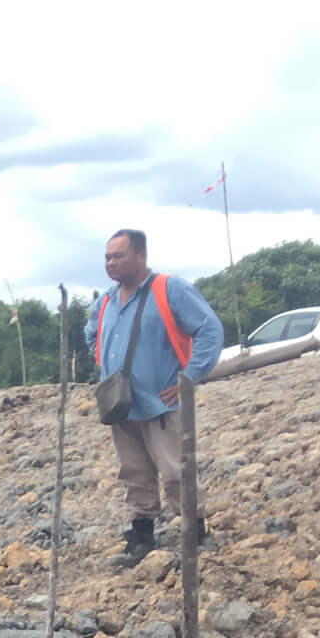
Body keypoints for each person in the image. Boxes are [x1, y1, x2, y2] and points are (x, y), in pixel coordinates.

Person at [93, 228, 223, 565]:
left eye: (117, 256)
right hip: (121, 403)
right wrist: (104, 362)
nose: (110, 263)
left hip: (161, 402)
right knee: (132, 470)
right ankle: (141, 535)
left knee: (176, 469)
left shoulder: (170, 289)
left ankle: (196, 532)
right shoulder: (107, 299)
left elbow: (209, 329)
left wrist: (190, 375)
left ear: (140, 255)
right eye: (107, 257)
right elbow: (92, 331)